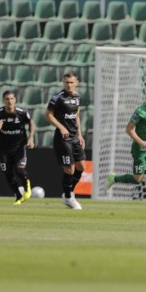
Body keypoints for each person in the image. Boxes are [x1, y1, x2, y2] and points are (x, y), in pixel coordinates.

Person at [0, 90, 35, 205]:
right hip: (4, 149)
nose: (9, 101)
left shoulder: (22, 113)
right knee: (8, 174)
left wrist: (31, 137)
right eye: (7, 99)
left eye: (12, 99)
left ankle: (26, 185)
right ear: (3, 101)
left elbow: (31, 123)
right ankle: (18, 196)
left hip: (19, 147)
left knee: (19, 170)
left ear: (15, 100)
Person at [46, 72, 86, 210]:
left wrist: (80, 135)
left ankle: (68, 193)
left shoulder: (77, 97)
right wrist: (61, 128)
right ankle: (69, 198)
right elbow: (48, 115)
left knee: (81, 167)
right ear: (63, 82)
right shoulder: (58, 98)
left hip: (75, 137)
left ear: (77, 83)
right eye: (66, 82)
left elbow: (76, 115)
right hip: (63, 139)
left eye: (71, 82)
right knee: (70, 168)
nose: (69, 85)